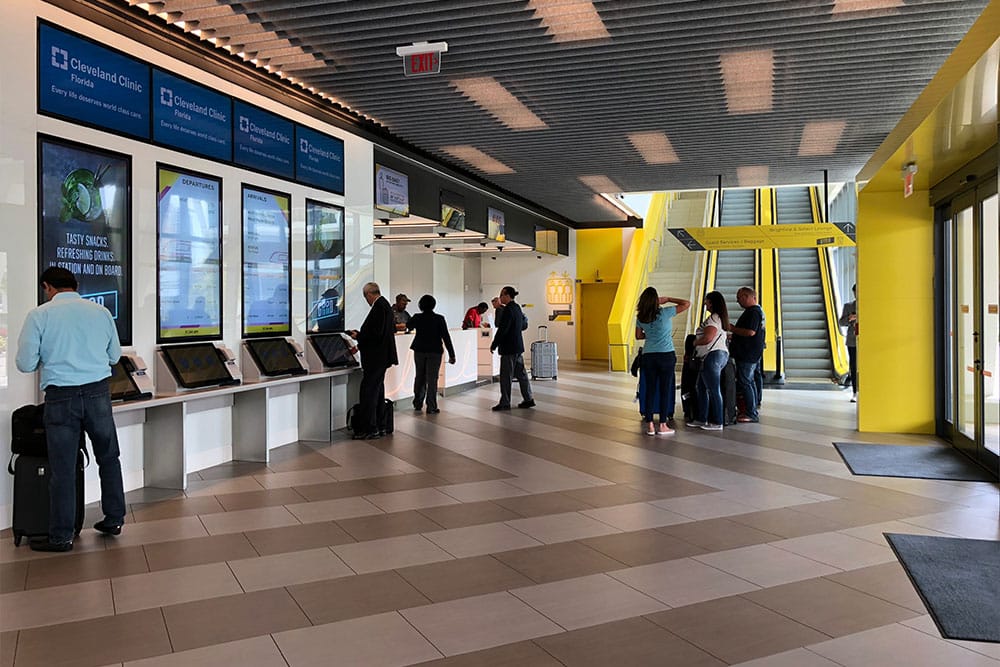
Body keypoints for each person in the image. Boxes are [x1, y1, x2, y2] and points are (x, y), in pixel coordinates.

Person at [15, 267, 126, 552]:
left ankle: (62, 536)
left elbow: (25, 363)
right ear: (75, 285)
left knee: (63, 469)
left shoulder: (39, 315)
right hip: (98, 393)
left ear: (47, 287)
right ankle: (114, 518)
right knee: (109, 457)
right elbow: (114, 356)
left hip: (60, 397)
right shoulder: (100, 313)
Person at [635, 286, 690, 435]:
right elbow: (686, 303)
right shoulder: (665, 312)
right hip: (666, 355)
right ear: (656, 300)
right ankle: (663, 425)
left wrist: (651, 336)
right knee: (665, 390)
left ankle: (650, 425)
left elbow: (639, 337)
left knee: (650, 390)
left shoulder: (641, 317)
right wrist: (668, 299)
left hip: (649, 356)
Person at [348, 282, 398, 439]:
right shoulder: (385, 306)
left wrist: (359, 336)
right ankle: (380, 426)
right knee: (377, 390)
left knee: (368, 391)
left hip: (375, 359)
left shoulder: (379, 307)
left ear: (369, 294)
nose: (366, 301)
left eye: (365, 297)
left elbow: (375, 334)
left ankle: (370, 428)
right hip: (381, 358)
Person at [406, 294, 456, 413]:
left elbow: (408, 326)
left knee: (420, 376)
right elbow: (446, 337)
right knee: (432, 379)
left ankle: (418, 402)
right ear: (434, 305)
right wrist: (452, 354)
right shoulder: (439, 318)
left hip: (419, 350)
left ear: (420, 305)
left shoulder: (417, 317)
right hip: (435, 351)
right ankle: (431, 406)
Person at [689, 290, 730, 431]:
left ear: (711, 302)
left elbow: (708, 338)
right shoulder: (719, 318)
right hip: (715, 356)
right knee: (700, 387)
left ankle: (717, 421)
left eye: (707, 300)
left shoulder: (713, 318)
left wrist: (694, 343)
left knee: (713, 389)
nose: (705, 303)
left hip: (712, 356)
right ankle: (701, 418)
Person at [489, 286, 534, 411]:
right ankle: (528, 398)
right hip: (518, 347)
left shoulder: (508, 310)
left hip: (508, 348)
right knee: (522, 374)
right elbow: (523, 325)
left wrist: (494, 344)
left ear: (507, 295)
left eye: (502, 295)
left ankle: (505, 402)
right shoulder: (517, 308)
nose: (500, 297)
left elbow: (503, 329)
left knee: (506, 376)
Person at [728, 286, 766, 423]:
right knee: (750, 381)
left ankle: (751, 413)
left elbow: (750, 332)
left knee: (745, 382)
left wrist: (733, 329)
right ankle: (751, 408)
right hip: (753, 352)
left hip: (747, 353)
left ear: (747, 296)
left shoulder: (753, 312)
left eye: (739, 298)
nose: (737, 301)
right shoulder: (757, 311)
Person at [839, 284, 858, 402]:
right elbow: (841, 322)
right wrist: (850, 318)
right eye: (855, 292)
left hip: (866, 340)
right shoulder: (848, 306)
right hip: (852, 340)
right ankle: (855, 392)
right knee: (854, 366)